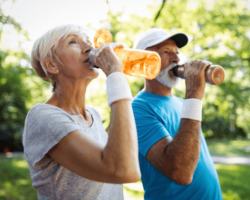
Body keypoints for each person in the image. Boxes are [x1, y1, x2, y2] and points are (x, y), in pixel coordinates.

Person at [22, 24, 140, 200]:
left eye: (88, 41)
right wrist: (116, 75)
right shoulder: (43, 117)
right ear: (51, 64)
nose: (90, 48)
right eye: (73, 42)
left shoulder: (94, 115)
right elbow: (123, 170)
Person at [132, 28, 223, 200]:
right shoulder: (138, 108)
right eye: (166, 52)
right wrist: (194, 94)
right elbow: (181, 172)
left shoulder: (183, 103)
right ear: (142, 62)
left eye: (177, 52)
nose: (176, 59)